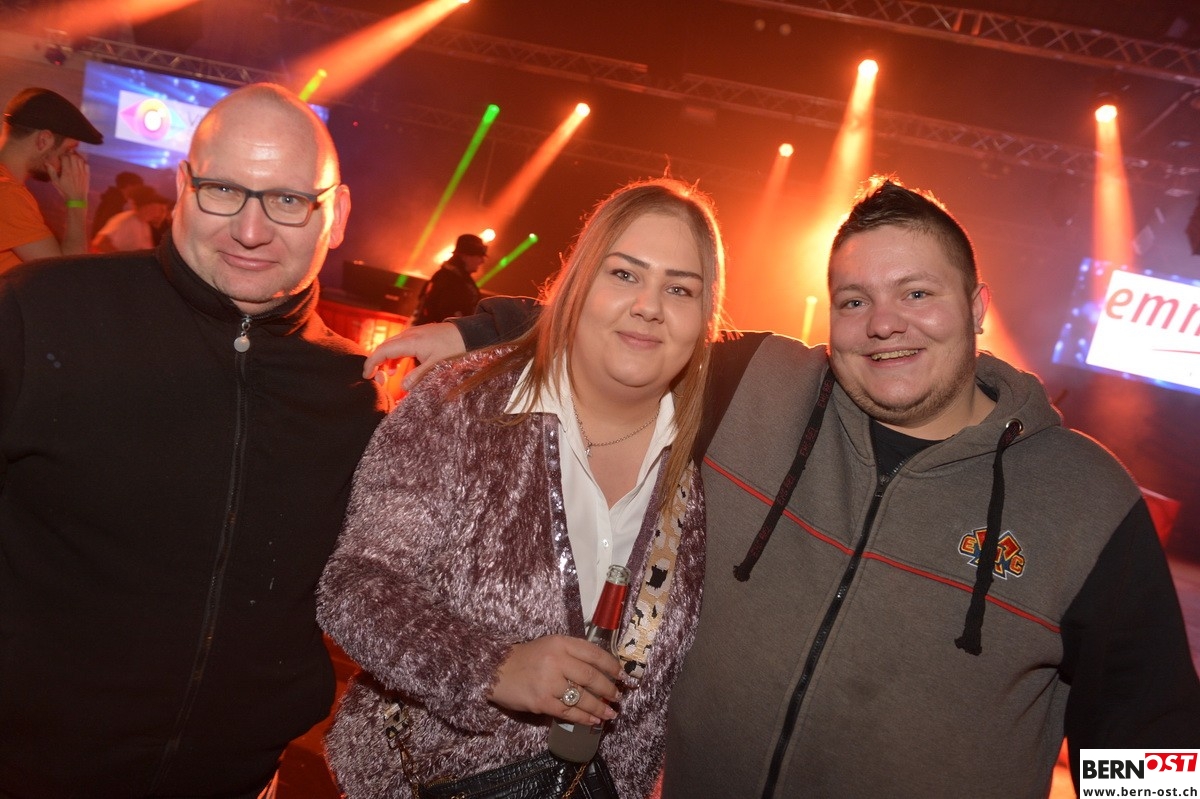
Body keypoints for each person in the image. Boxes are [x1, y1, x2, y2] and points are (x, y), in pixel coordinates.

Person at [364, 175, 1200, 797]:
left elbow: (1153, 737)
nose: (884, 322)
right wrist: (476, 329)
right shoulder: (760, 388)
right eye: (854, 300)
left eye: (917, 293)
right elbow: (631, 328)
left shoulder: (1083, 497)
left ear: (978, 307)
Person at [0, 84, 388, 797]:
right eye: (223, 190)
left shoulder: (356, 393)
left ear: (337, 215)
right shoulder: (41, 312)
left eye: (288, 199)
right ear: (183, 187)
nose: (250, 230)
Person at [316, 177, 729, 798]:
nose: (649, 305)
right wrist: (492, 667)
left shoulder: (716, 459)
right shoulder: (463, 404)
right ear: (580, 282)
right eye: (624, 274)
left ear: (704, 316)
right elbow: (354, 585)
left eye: (680, 288)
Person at [0, 87, 101, 274]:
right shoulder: (8, 194)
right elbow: (66, 276)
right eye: (68, 150)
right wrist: (77, 201)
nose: (70, 161)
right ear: (43, 140)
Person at [409, 232, 488, 325]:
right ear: (465, 256)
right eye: (479, 256)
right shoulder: (450, 281)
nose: (482, 261)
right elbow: (449, 316)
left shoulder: (450, 277)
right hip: (442, 333)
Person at [91, 183, 171, 252]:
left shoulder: (144, 225)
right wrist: (122, 260)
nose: (159, 213)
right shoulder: (125, 220)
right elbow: (99, 242)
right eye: (158, 208)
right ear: (146, 206)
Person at [91, 169, 145, 237]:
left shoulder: (114, 199)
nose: (139, 192)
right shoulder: (114, 202)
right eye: (138, 188)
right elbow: (106, 226)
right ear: (129, 186)